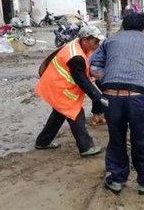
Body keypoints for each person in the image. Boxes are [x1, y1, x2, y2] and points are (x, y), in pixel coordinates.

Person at [91, 13, 144, 195]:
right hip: (139, 97)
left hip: (111, 98)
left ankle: (115, 179)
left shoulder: (109, 42)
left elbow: (93, 67)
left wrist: (109, 76)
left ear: (124, 26)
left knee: (116, 139)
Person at [34, 26, 107, 158]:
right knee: (76, 114)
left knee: (58, 115)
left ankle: (42, 142)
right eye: (95, 41)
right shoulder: (76, 57)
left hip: (57, 83)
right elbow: (83, 81)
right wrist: (99, 98)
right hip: (60, 87)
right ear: (85, 40)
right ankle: (86, 147)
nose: (98, 44)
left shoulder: (79, 45)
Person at [89, 48, 106, 125]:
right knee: (108, 95)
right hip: (101, 74)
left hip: (95, 72)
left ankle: (96, 116)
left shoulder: (103, 46)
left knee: (101, 94)